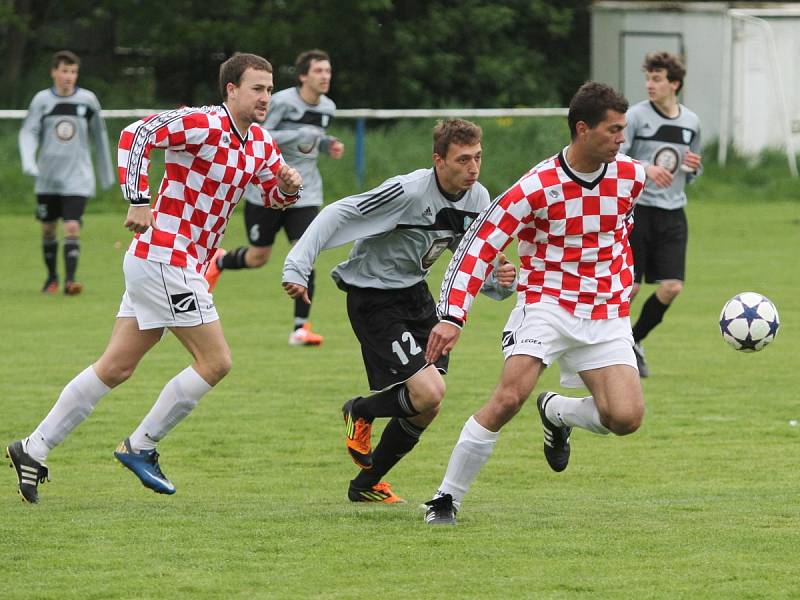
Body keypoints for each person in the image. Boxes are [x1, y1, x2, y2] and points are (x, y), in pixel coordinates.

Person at [5, 53, 302, 504]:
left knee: (116, 367)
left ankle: (33, 447)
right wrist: (138, 197)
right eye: (257, 88)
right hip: (166, 255)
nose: (266, 96)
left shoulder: (260, 143)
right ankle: (141, 445)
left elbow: (270, 196)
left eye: (269, 88)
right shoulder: (202, 122)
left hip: (172, 262)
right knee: (216, 361)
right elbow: (136, 133)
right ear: (231, 91)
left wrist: (287, 186)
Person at [422, 82, 647, 525]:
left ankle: (557, 411)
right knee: (508, 398)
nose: (622, 139)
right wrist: (452, 315)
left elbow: (618, 232)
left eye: (624, 129)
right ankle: (445, 498)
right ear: (583, 129)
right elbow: (479, 245)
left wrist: (623, 281)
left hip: (604, 311)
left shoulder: (631, 176)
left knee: (625, 417)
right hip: (547, 304)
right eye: (614, 129)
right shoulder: (538, 186)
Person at [282, 119, 517, 504]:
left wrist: (500, 281)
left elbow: (469, 257)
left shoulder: (477, 198)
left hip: (415, 296)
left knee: (428, 406)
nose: (473, 168)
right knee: (429, 391)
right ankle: (360, 411)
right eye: (462, 160)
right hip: (372, 297)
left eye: (478, 157)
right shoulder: (407, 191)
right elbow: (338, 213)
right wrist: (297, 266)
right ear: (438, 160)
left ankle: (366, 485)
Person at [206, 49, 344, 346]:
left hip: (305, 193)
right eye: (319, 71)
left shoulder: (328, 107)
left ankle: (301, 327)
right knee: (258, 258)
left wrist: (326, 145)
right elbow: (258, 133)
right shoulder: (279, 101)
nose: (325, 77)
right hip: (264, 189)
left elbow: (312, 140)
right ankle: (219, 261)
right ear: (303, 76)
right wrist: (300, 134)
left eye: (328, 71)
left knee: (304, 255)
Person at [620, 52, 702, 377]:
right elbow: (617, 160)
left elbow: (693, 170)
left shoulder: (691, 122)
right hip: (638, 211)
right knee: (632, 288)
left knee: (672, 286)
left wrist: (695, 168)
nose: (649, 85)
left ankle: (634, 341)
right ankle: (611, 346)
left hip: (673, 213)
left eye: (657, 79)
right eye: (648, 78)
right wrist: (646, 168)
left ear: (674, 84)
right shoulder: (636, 117)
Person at [19, 50, 116, 295]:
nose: (68, 77)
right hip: (48, 179)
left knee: (72, 226)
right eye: (64, 71)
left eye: (73, 72)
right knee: (48, 228)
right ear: (54, 72)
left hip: (78, 178)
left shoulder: (88, 101)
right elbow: (28, 132)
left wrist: (107, 174)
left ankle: (70, 281)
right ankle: (51, 278)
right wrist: (29, 161)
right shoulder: (41, 101)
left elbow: (100, 136)